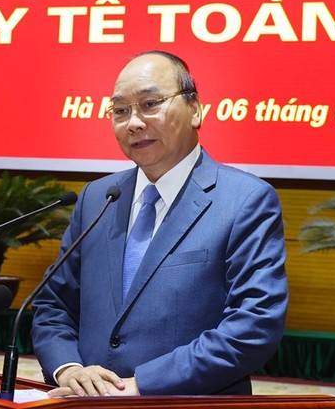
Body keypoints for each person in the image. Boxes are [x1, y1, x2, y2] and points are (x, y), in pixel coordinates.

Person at [31, 51, 288, 397]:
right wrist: (68, 368)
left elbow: (254, 325)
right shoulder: (97, 198)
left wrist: (141, 386)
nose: (134, 122)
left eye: (150, 103)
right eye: (120, 111)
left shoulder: (245, 200)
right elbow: (53, 305)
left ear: (195, 109)